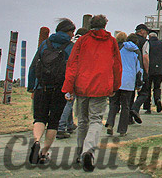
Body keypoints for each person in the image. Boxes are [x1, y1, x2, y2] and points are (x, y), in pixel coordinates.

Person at [62, 14, 121, 172]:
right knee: (95, 120)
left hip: (82, 85)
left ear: (90, 26)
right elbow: (117, 66)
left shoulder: (82, 41)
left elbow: (72, 64)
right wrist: (115, 86)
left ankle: (80, 151)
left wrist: (68, 87)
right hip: (101, 86)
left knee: (82, 121)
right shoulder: (111, 42)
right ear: (105, 26)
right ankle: (88, 151)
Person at [26, 18, 76, 165]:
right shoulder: (71, 47)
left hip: (42, 87)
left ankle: (36, 142)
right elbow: (73, 70)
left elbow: (34, 66)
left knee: (39, 118)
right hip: (60, 89)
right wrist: (71, 90)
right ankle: (43, 153)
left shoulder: (45, 44)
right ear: (69, 32)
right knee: (53, 122)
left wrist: (31, 87)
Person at [105, 32, 142, 136]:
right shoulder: (136, 51)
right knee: (125, 106)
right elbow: (139, 69)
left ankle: (110, 124)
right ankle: (122, 130)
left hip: (117, 79)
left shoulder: (117, 49)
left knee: (113, 104)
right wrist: (139, 84)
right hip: (129, 82)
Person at [56, 27, 87, 139]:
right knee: (69, 103)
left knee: (68, 101)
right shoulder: (80, 45)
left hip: (59, 76)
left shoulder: (70, 43)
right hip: (72, 77)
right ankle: (61, 127)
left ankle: (69, 125)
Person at [131, 32, 162, 118]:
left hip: (149, 69)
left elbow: (145, 55)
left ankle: (148, 107)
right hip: (159, 69)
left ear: (149, 37)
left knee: (147, 88)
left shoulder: (147, 43)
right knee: (157, 87)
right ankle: (157, 99)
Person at [134, 23, 152, 114]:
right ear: (142, 31)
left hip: (129, 69)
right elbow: (145, 57)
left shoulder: (130, 40)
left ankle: (129, 117)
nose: (147, 34)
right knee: (144, 93)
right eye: (146, 32)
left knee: (130, 94)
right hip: (140, 69)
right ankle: (135, 108)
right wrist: (147, 70)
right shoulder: (145, 42)